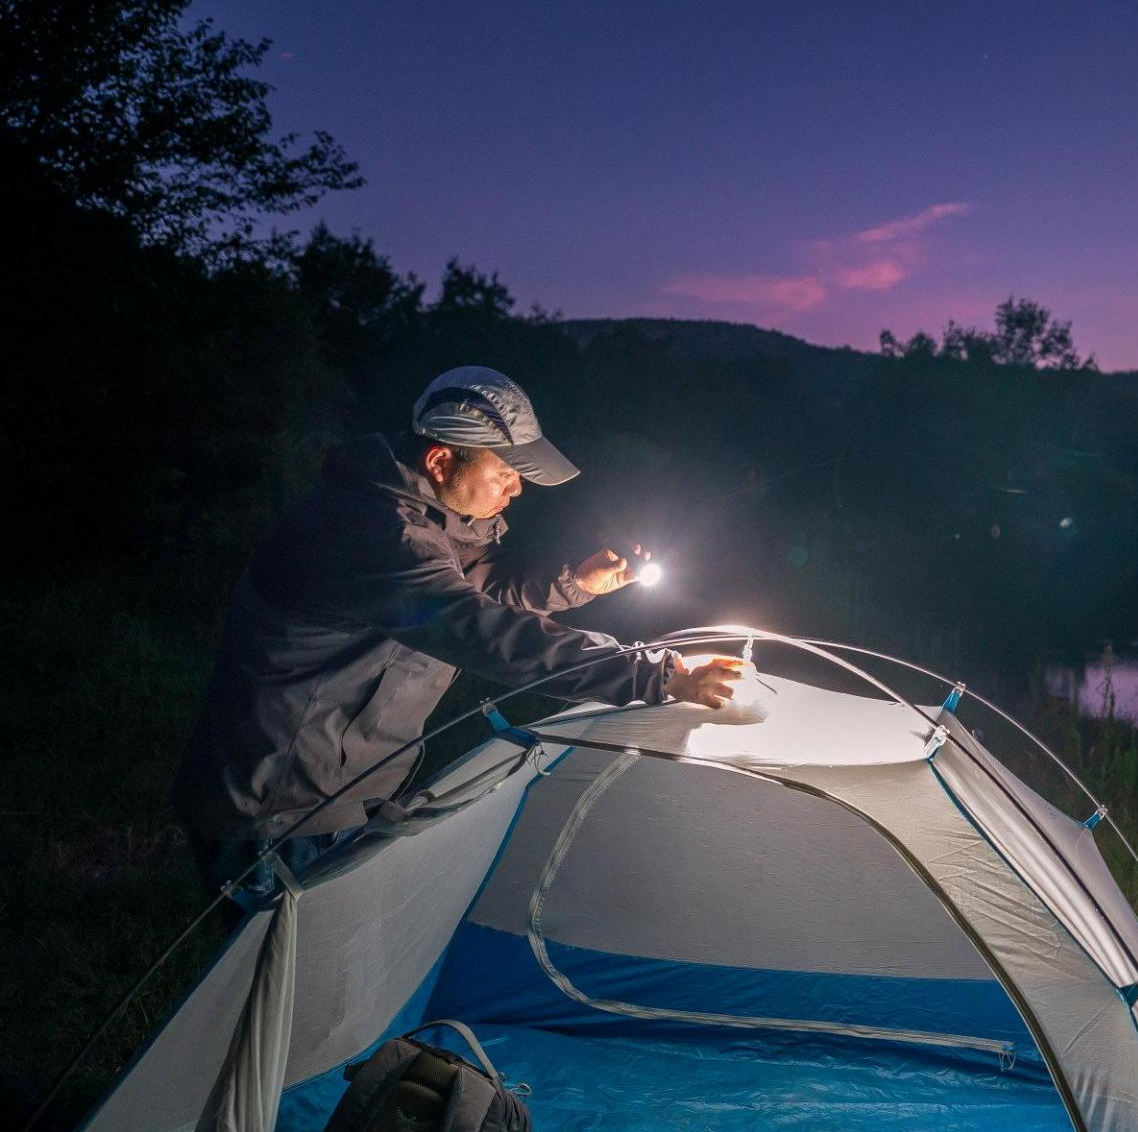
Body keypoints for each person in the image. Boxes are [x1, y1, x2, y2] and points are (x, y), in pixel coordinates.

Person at [173, 365, 739, 904]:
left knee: (341, 982)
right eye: (504, 473)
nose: (516, 490)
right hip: (278, 810)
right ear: (442, 460)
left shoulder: (425, 519)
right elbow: (476, 629)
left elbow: (480, 588)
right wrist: (651, 673)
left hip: (336, 795)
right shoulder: (373, 532)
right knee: (301, 995)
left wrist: (576, 580)